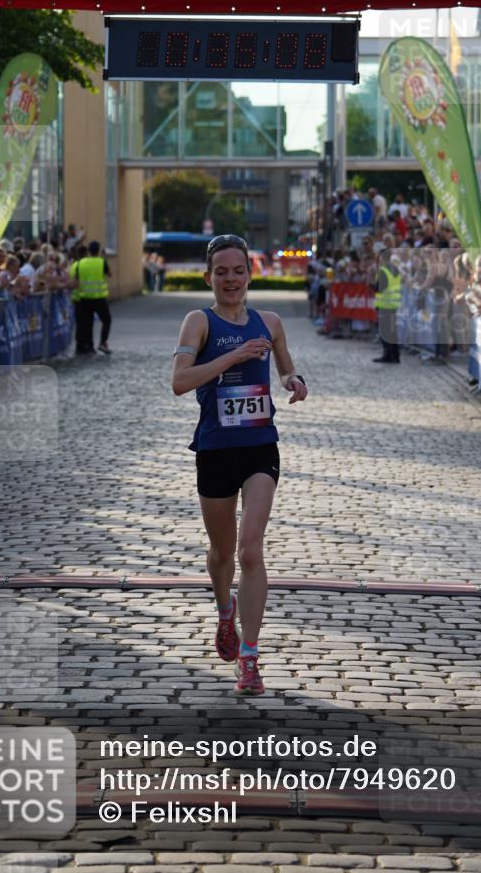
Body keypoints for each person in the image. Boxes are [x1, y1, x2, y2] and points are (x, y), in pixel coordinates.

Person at [171, 233, 307, 696]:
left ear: (251, 274)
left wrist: (294, 380)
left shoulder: (269, 321)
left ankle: (249, 658)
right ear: (209, 277)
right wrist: (234, 354)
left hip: (259, 446)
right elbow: (179, 381)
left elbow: (286, 368)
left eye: (239, 270)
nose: (231, 279)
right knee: (222, 554)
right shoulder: (198, 322)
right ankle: (224, 610)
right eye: (222, 272)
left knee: (251, 550)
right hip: (214, 449)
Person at [76, 240, 112, 354]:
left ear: (89, 251)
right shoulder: (101, 262)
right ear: (98, 250)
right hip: (99, 298)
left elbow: (77, 278)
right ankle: (103, 342)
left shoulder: (81, 262)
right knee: (106, 319)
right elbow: (110, 274)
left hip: (85, 298)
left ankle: (90, 346)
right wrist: (104, 258)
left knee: (88, 323)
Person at [373, 249, 401, 363]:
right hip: (394, 303)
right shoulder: (396, 269)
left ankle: (388, 354)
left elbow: (379, 288)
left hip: (385, 304)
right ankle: (395, 355)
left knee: (385, 332)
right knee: (392, 331)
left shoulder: (383, 270)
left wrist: (373, 285)